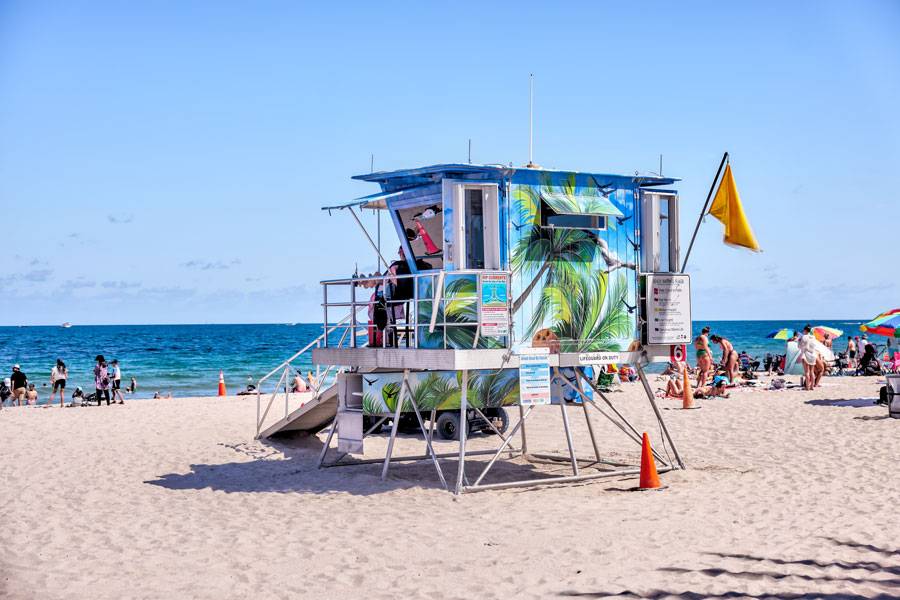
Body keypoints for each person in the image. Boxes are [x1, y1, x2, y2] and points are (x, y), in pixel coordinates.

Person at [797, 325, 817, 390]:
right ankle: (812, 386)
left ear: (805, 330)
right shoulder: (813, 337)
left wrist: (799, 341)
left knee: (807, 372)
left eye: (803, 330)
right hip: (813, 355)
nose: (803, 331)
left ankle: (807, 387)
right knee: (812, 372)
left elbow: (800, 346)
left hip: (806, 355)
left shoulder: (804, 337)